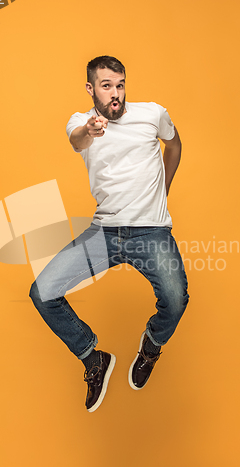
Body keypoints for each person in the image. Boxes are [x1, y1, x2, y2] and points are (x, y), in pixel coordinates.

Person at [29, 55, 189, 413]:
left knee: (176, 300)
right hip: (104, 232)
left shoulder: (151, 114)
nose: (115, 94)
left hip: (151, 231)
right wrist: (90, 130)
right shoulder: (80, 122)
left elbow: (174, 144)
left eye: (120, 85)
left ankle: (151, 346)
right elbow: (76, 140)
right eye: (106, 86)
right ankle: (93, 357)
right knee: (42, 293)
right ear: (91, 89)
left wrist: (161, 192)